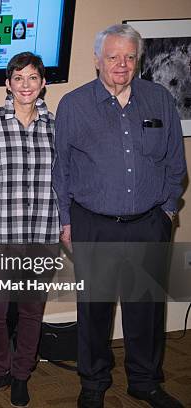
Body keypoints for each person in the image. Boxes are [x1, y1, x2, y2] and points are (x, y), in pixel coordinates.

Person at [53, 24, 185, 408]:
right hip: (93, 224)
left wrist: (167, 210)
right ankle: (93, 383)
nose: (121, 65)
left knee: (146, 310)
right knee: (93, 310)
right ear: (97, 60)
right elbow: (61, 171)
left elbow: (176, 163)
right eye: (112, 57)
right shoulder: (74, 106)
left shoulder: (159, 100)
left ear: (138, 60)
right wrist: (67, 221)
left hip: (149, 223)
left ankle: (145, 381)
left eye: (129, 57)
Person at [0, 52, 59, 407]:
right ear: (7, 84)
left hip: (41, 235)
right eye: (18, 78)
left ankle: (21, 375)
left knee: (30, 313)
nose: (25, 85)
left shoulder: (55, 126)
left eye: (33, 78)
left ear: (43, 84)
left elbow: (67, 179)